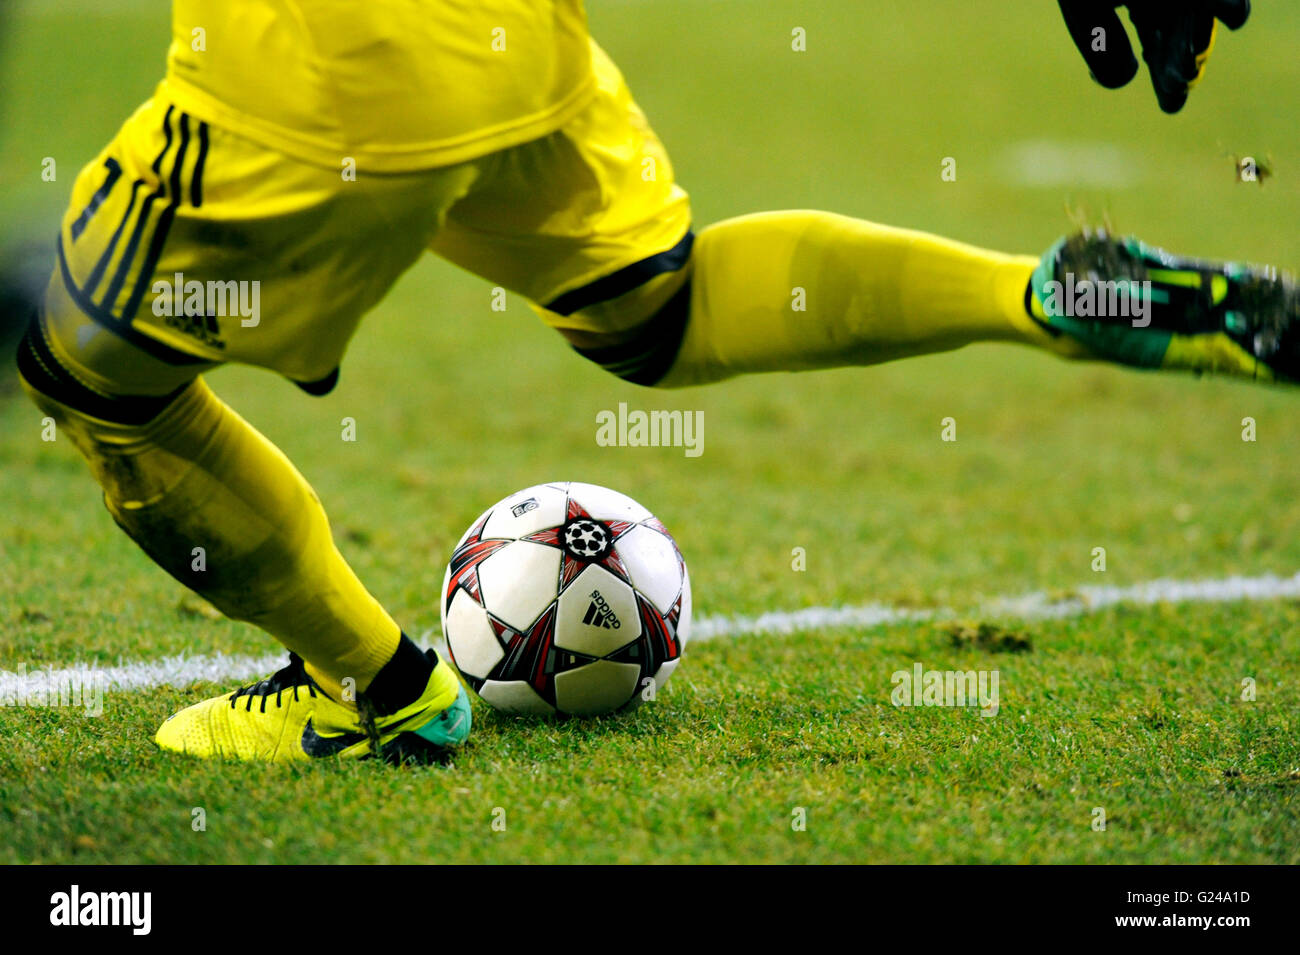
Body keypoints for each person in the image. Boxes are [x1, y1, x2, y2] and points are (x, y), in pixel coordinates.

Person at [17, 0, 1284, 762]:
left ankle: (374, 690)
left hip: (322, 67)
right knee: (656, 308)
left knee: (88, 374)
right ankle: (1037, 291)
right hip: (513, 39)